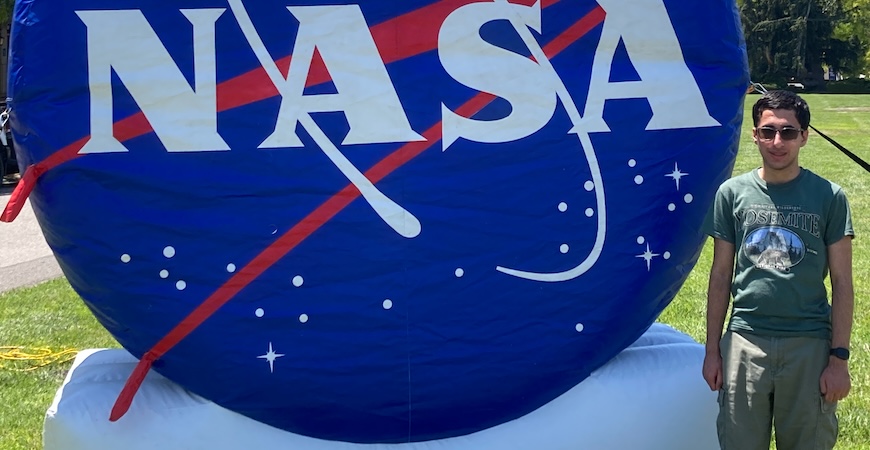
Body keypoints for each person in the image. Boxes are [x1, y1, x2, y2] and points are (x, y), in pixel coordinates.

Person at [702, 90, 855, 449]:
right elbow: (720, 275)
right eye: (767, 131)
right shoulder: (731, 193)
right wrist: (713, 350)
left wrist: (839, 359)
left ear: (804, 136)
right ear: (754, 134)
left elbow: (843, 283)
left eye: (788, 131)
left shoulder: (829, 197)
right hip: (745, 342)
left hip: (809, 344)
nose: (777, 141)